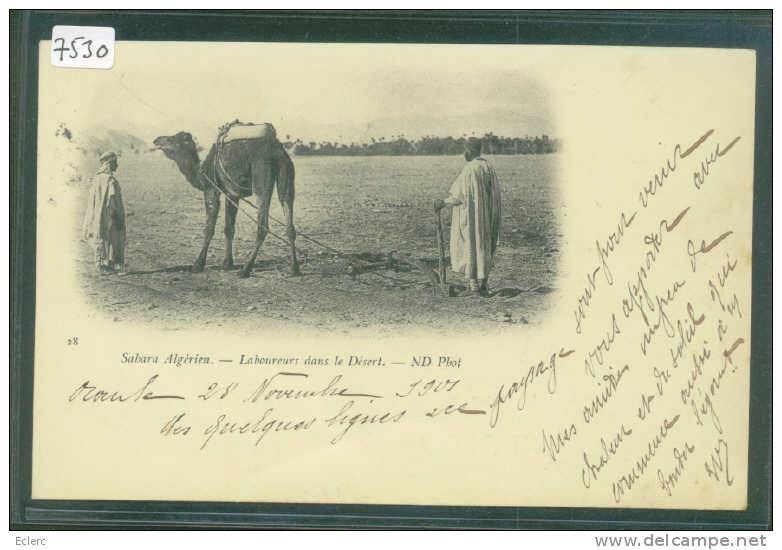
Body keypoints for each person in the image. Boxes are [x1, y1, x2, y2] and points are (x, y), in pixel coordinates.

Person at [434, 138, 501, 296]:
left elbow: (459, 197)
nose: (464, 153)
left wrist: (442, 203)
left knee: (471, 246)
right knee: (484, 246)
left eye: (465, 150)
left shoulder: (470, 169)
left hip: (473, 218)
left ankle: (474, 285)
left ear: (470, 151)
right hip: (487, 217)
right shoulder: (488, 166)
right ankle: (484, 283)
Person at [82, 151, 126, 274]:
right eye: (115, 163)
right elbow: (111, 199)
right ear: (109, 164)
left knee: (100, 233)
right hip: (110, 213)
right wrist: (116, 216)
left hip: (97, 214)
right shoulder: (110, 180)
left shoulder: (96, 178)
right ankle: (108, 264)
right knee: (113, 236)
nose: (117, 166)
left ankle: (101, 263)